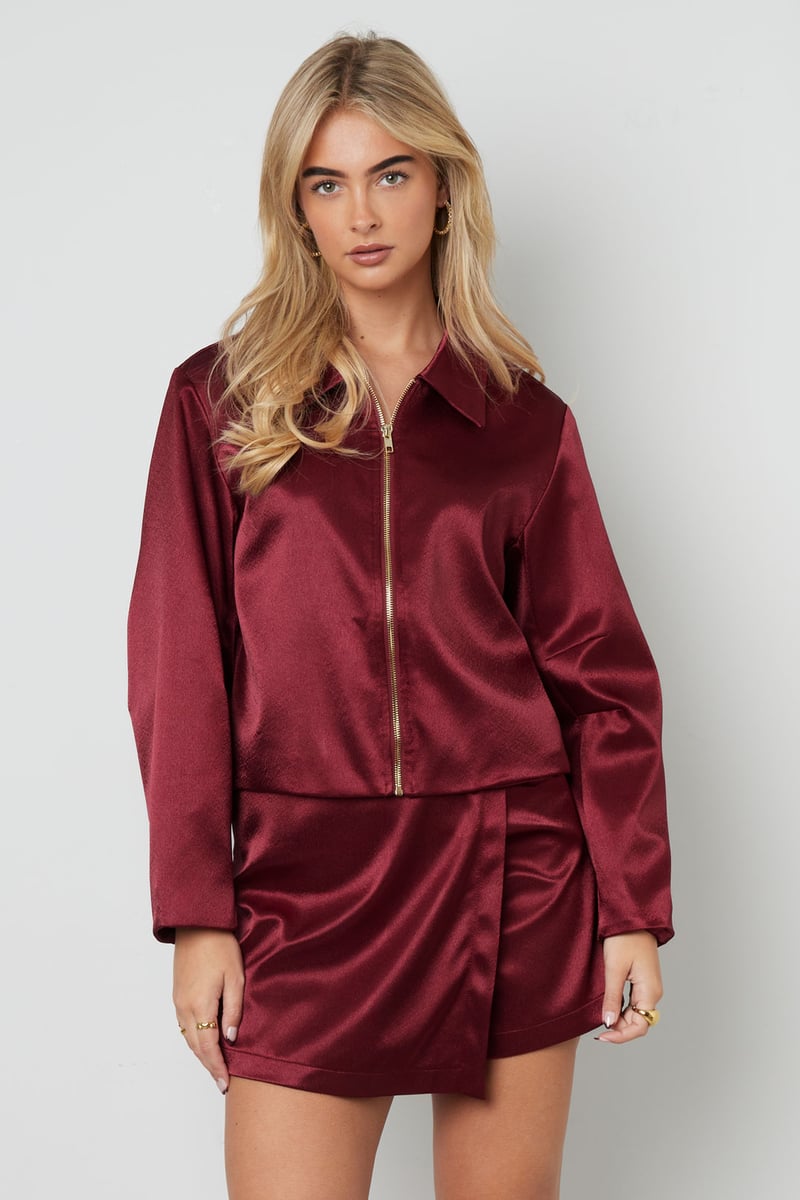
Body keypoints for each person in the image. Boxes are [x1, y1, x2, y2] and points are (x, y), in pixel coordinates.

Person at [128, 31, 673, 1200]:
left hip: (508, 871)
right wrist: (197, 913)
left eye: (389, 174)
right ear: (295, 207)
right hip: (303, 886)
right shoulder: (217, 404)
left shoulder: (521, 422)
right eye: (325, 183)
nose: (362, 214)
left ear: (441, 187)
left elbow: (600, 679)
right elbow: (180, 673)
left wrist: (629, 906)